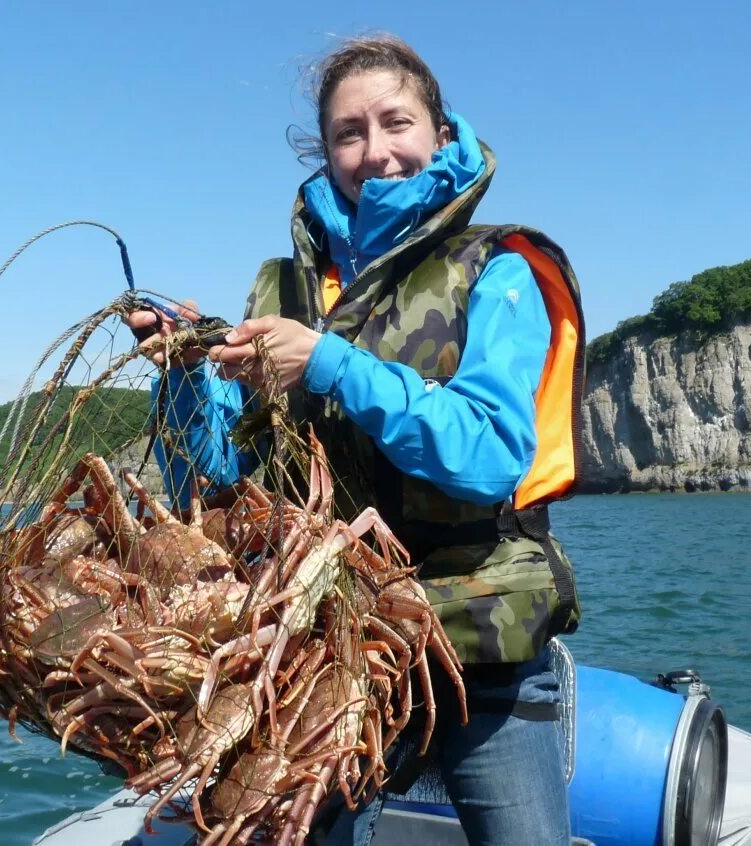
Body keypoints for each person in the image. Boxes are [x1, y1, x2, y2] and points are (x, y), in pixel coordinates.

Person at [128, 33, 587, 846]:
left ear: (441, 136)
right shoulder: (284, 288)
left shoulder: (499, 265)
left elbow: (486, 456)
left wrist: (331, 362)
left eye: (396, 122)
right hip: (324, 652)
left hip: (480, 646)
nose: (376, 151)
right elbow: (228, 486)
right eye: (350, 132)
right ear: (327, 151)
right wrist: (183, 375)